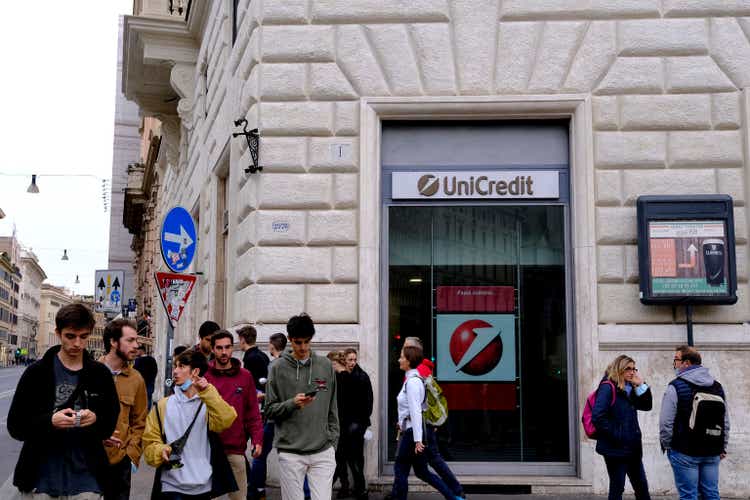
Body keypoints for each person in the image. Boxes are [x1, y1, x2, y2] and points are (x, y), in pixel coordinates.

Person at [8, 303, 120, 498]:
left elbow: (109, 422)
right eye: (70, 336)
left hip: (88, 480)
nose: (77, 343)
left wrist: (95, 418)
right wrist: (50, 422)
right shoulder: (36, 373)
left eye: (83, 337)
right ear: (58, 333)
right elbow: (16, 426)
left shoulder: (100, 374)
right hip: (41, 480)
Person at [143, 349, 239, 499]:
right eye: (175, 366)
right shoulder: (163, 405)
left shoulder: (209, 403)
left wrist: (207, 391)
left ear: (195, 371)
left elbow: (227, 419)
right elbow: (149, 442)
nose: (175, 371)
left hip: (202, 485)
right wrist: (160, 450)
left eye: (181, 366)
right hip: (170, 486)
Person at [264, 313, 339, 500]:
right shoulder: (277, 368)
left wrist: (332, 440)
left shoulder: (325, 365)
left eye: (307, 342)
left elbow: (333, 406)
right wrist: (292, 404)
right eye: (298, 342)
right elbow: (269, 410)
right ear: (290, 340)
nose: (303, 347)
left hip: (323, 450)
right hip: (291, 452)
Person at [659, 346, 730, 500]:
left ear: (687, 363)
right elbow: (725, 420)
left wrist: (667, 445)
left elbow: (665, 422)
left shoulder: (675, 386)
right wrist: (722, 446)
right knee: (711, 494)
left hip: (684, 451)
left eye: (676, 359)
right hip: (712, 450)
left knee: (689, 496)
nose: (674, 363)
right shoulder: (717, 387)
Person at [387, 344, 457, 500]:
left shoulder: (412, 382)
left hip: (412, 433)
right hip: (412, 430)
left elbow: (416, 412)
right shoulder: (414, 380)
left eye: (402, 357)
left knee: (400, 468)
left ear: (409, 360)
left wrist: (418, 440)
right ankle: (453, 496)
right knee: (422, 472)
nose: (399, 359)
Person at [402, 337, 464, 499]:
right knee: (426, 466)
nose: (401, 352)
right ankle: (456, 491)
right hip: (423, 425)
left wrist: (426, 426)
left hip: (422, 426)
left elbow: (420, 402)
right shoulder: (421, 370)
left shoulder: (419, 371)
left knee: (432, 462)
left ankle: (456, 491)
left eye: (405, 348)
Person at [205, 330, 264, 500]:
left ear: (233, 348)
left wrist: (257, 440)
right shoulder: (204, 377)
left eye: (228, 347)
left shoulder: (245, 376)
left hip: (235, 450)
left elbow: (253, 413)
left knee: (239, 498)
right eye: (219, 348)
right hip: (207, 451)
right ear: (213, 349)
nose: (224, 352)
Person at [99, 319, 149, 500]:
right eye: (130, 340)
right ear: (113, 342)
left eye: (136, 341)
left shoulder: (136, 379)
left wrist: (131, 456)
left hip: (120, 463)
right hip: (89, 460)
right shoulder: (92, 372)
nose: (136, 346)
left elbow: (140, 421)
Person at [592, 354, 652, 500]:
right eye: (628, 369)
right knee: (617, 488)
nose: (632, 372)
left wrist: (641, 385)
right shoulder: (608, 386)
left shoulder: (630, 387)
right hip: (615, 449)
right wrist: (619, 435)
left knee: (642, 488)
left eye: (634, 369)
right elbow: (598, 417)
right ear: (619, 369)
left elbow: (646, 405)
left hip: (633, 449)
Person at [249, 332, 289, 500]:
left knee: (258, 454)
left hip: (273, 417)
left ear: (272, 346)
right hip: (289, 417)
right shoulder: (293, 364)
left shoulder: (274, 366)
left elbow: (274, 393)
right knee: (294, 458)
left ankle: (257, 490)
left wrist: (262, 396)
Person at [338, 348, 373, 500]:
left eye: (354, 359)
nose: (352, 362)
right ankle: (345, 487)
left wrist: (361, 424)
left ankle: (361, 490)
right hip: (342, 424)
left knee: (356, 459)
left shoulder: (362, 377)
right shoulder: (340, 376)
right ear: (344, 360)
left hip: (356, 425)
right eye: (350, 359)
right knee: (340, 458)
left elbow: (368, 403)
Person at [238, 324, 270, 390]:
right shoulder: (263, 355)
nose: (239, 343)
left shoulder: (250, 358)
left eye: (239, 340)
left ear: (243, 340)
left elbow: (249, 383)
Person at [134, 344, 158, 409]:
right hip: (149, 384)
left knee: (140, 401)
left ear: (141, 350)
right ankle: (147, 415)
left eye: (137, 350)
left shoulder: (138, 360)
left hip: (141, 384)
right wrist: (152, 380)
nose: (136, 352)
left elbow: (135, 372)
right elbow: (155, 371)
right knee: (148, 399)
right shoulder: (152, 359)